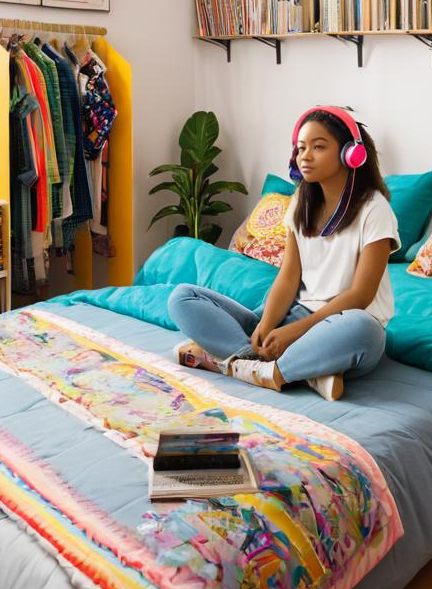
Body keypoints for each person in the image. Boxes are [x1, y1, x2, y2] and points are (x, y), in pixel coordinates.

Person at [167, 106, 399, 401]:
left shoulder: (375, 208)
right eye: (301, 148)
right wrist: (266, 327)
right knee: (182, 297)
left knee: (365, 329)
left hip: (342, 327)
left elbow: (361, 296)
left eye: (318, 147)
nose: (306, 156)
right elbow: (289, 277)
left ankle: (247, 364)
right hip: (293, 319)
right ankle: (269, 365)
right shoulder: (302, 199)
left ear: (350, 154)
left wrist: (294, 333)